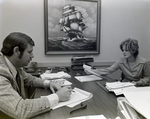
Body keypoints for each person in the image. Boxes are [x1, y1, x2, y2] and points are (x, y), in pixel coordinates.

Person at [0, 32, 72, 119]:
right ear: (16, 51)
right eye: (29, 52)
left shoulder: (14, 66)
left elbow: (30, 79)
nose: (32, 56)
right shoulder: (1, 75)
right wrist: (57, 97)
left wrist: (49, 83)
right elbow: (20, 110)